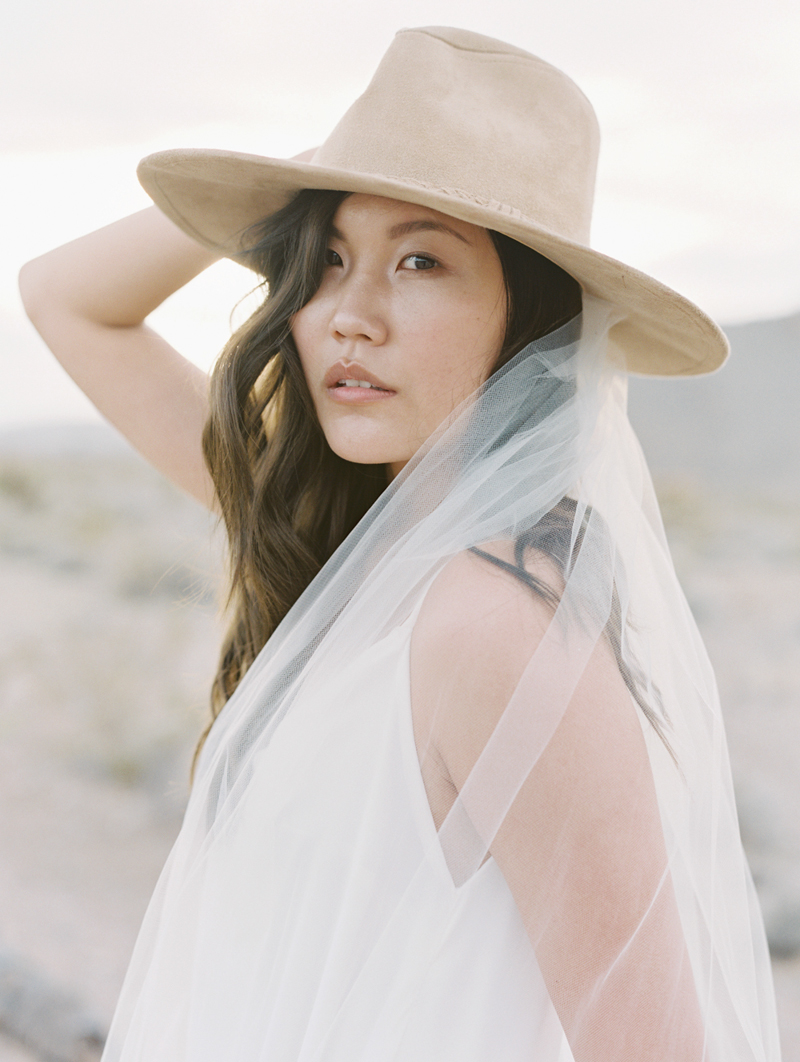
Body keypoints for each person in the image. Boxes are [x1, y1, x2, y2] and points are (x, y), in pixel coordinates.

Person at [19, 26, 780, 1062]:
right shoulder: (343, 548)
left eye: (421, 260)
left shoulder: (495, 627)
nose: (347, 315)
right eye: (328, 260)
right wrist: (320, 165)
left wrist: (334, 171)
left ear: (530, 322)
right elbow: (66, 298)